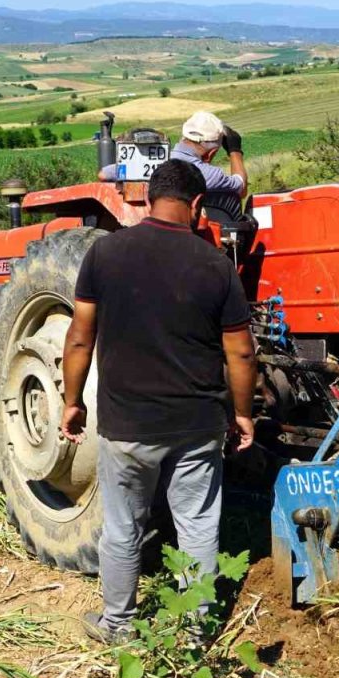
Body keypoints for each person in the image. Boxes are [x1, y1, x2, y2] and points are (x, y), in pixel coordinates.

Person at [60, 158, 258, 644]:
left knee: (123, 527)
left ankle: (119, 626)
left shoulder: (105, 255)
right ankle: (194, 633)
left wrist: (72, 401)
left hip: (126, 426)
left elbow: (80, 339)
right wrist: (242, 413)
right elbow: (241, 351)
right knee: (195, 527)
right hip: (196, 426)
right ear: (196, 206)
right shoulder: (215, 265)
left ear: (148, 199)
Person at [100, 110, 247, 200]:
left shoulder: (151, 161)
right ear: (211, 153)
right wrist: (235, 150)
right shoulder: (208, 175)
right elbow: (241, 187)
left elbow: (104, 174)